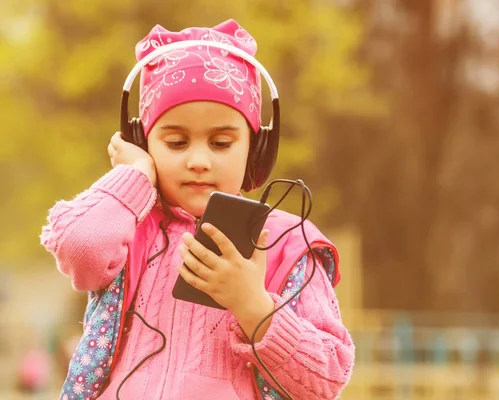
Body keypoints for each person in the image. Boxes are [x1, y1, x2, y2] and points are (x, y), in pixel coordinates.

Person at [41, 19, 355, 400]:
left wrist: (252, 305)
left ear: (258, 150)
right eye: (176, 142)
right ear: (142, 140)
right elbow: (80, 249)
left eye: (221, 143)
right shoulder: (127, 226)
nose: (199, 160)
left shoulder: (288, 246)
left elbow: (327, 379)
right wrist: (136, 176)